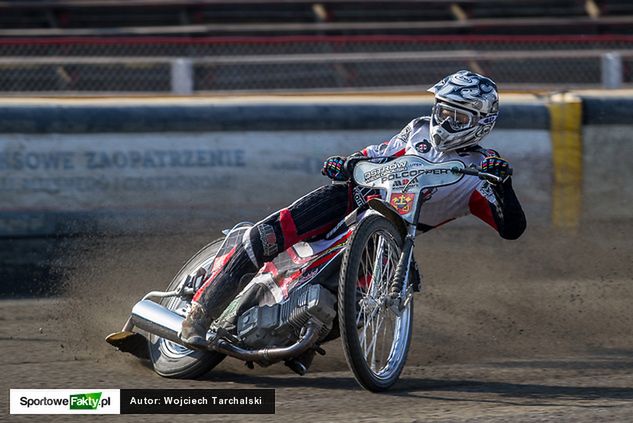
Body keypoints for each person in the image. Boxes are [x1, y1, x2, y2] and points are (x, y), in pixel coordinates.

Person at [179, 70, 527, 371]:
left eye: (459, 117)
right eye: (442, 111)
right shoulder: (418, 130)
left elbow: (512, 228)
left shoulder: (481, 171)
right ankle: (201, 311)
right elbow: (374, 155)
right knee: (270, 234)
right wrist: (346, 162)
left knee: (365, 302)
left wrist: (505, 185)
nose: (445, 122)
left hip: (393, 235)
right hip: (352, 199)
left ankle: (304, 338)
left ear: (482, 123)